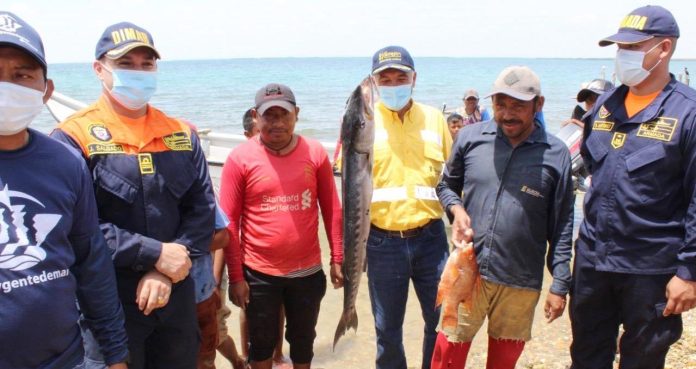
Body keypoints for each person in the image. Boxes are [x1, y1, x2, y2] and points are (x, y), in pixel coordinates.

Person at [51, 21, 216, 369]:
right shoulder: (72, 137)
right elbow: (76, 227)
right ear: (99, 69)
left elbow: (202, 210)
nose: (138, 72)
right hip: (107, 302)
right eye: (126, 64)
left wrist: (167, 270)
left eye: (147, 64)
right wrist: (154, 254)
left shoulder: (181, 133)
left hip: (175, 292)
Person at [0, 11, 128, 369]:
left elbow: (92, 264)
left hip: (66, 359)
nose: (6, 85)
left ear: (46, 90)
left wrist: (116, 354)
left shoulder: (65, 162)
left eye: (22, 75)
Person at [570, 5, 696, 369]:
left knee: (642, 360)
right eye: (620, 48)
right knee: (586, 356)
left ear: (664, 49)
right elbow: (594, 173)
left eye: (634, 47)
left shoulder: (687, 113)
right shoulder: (605, 106)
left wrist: (689, 273)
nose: (623, 56)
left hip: (650, 267)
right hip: (594, 261)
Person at [432, 65, 574, 369]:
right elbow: (445, 186)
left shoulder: (557, 153)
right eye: (500, 104)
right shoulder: (469, 138)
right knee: (446, 358)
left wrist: (560, 283)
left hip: (520, 281)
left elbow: (562, 224)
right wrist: (455, 209)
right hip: (468, 271)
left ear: (539, 104)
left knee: (503, 363)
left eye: (518, 106)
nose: (507, 114)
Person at [220, 83, 344, 369]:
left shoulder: (315, 153)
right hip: (259, 273)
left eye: (284, 115)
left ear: (296, 114)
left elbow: (332, 209)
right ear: (255, 116)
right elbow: (229, 224)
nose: (277, 123)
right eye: (269, 116)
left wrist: (337, 257)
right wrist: (236, 277)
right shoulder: (239, 159)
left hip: (307, 271)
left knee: (303, 343)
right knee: (260, 346)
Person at [367, 45, 452, 369]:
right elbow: (348, 184)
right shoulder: (363, 120)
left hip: (431, 239)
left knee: (440, 323)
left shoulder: (434, 118)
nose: (393, 84)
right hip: (382, 242)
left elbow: (451, 176)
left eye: (399, 77)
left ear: (414, 78)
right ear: (375, 84)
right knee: (387, 330)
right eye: (384, 79)